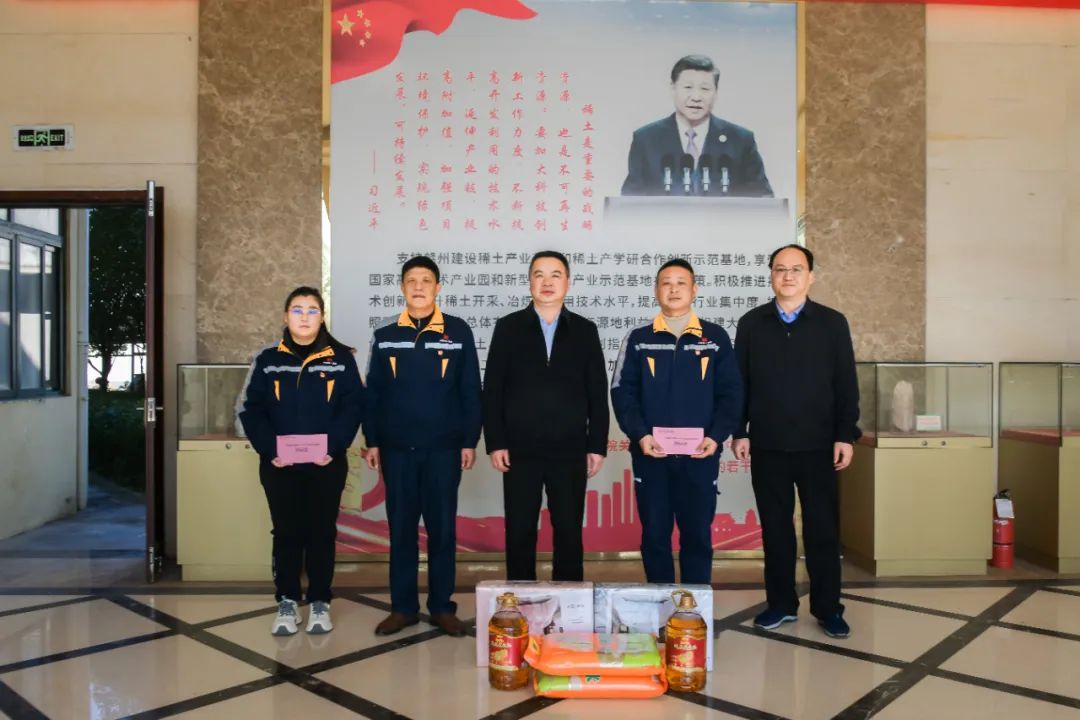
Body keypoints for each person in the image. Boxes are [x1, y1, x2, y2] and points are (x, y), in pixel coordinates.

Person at [732, 244, 860, 639]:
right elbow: (739, 383)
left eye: (796, 269)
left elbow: (846, 383)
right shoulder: (752, 323)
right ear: (771, 275)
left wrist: (845, 434)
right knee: (776, 530)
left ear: (811, 277)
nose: (788, 276)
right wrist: (740, 431)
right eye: (780, 269)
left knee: (823, 530)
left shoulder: (832, 323)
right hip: (768, 444)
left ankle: (828, 608)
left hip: (819, 445)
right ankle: (781, 604)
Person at [363, 256, 481, 638]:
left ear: (437, 287)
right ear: (401, 287)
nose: (418, 287)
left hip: (444, 450)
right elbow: (373, 393)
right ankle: (403, 608)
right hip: (397, 450)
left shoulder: (458, 332)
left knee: (442, 530)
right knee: (401, 529)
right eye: (411, 280)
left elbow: (470, 390)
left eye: (426, 280)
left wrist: (469, 440)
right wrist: (372, 440)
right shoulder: (385, 335)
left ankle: (442, 607)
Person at [237, 286, 364, 636]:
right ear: (285, 316)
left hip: (327, 463)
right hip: (280, 466)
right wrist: (270, 449)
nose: (304, 317)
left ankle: (321, 600)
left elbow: (353, 407)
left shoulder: (341, 359)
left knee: (322, 532)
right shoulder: (267, 359)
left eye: (312, 310)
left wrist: (333, 447)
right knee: (286, 532)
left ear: (322, 317)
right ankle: (287, 601)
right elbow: (251, 410)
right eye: (297, 309)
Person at [611, 259, 743, 584]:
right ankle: (659, 603)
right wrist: (640, 435)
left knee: (697, 534)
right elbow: (622, 391)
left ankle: (692, 606)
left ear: (694, 290)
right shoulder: (639, 338)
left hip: (700, 456)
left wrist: (716, 436)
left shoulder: (715, 338)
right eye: (666, 283)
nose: (673, 289)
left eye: (681, 282)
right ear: (656, 290)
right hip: (651, 456)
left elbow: (731, 392)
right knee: (655, 534)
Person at [483, 250, 609, 582]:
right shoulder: (509, 328)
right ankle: (518, 598)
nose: (547, 282)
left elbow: (598, 393)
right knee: (520, 529)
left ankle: (570, 601)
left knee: (569, 530)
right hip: (519, 449)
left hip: (570, 448)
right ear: (530, 282)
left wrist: (596, 445)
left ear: (567, 282)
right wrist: (496, 442)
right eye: (539, 275)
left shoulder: (584, 330)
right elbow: (492, 389)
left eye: (555, 275)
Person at [620, 54, 772, 198]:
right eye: (688, 87)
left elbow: (763, 200)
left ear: (716, 92)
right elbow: (630, 202)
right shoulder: (646, 139)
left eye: (705, 89)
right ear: (673, 88)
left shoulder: (740, 140)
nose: (696, 97)